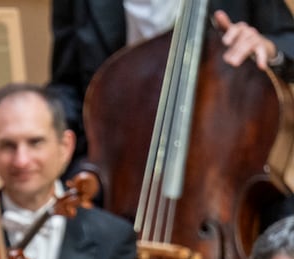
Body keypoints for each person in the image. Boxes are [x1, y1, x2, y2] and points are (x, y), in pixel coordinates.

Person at [49, 0, 294, 164]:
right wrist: (46, 131)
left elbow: (288, 40)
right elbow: (69, 85)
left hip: (226, 153)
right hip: (121, 161)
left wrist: (268, 47)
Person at [0, 83, 136, 259]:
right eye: (8, 145)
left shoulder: (112, 237)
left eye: (35, 142)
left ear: (65, 146)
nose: (21, 161)